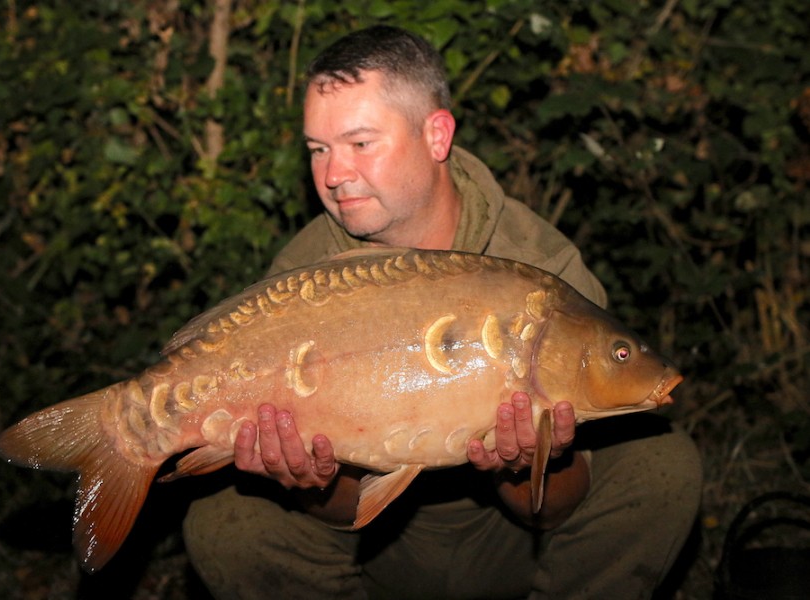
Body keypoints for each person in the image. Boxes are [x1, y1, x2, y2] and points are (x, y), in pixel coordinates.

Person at [183, 25, 702, 599]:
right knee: (224, 524)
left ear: (436, 135)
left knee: (662, 466)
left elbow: (551, 514)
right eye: (318, 149)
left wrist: (520, 464)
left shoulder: (538, 264)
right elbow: (341, 511)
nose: (333, 175)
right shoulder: (306, 273)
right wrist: (309, 480)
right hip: (377, 544)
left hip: (506, 537)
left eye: (360, 144)